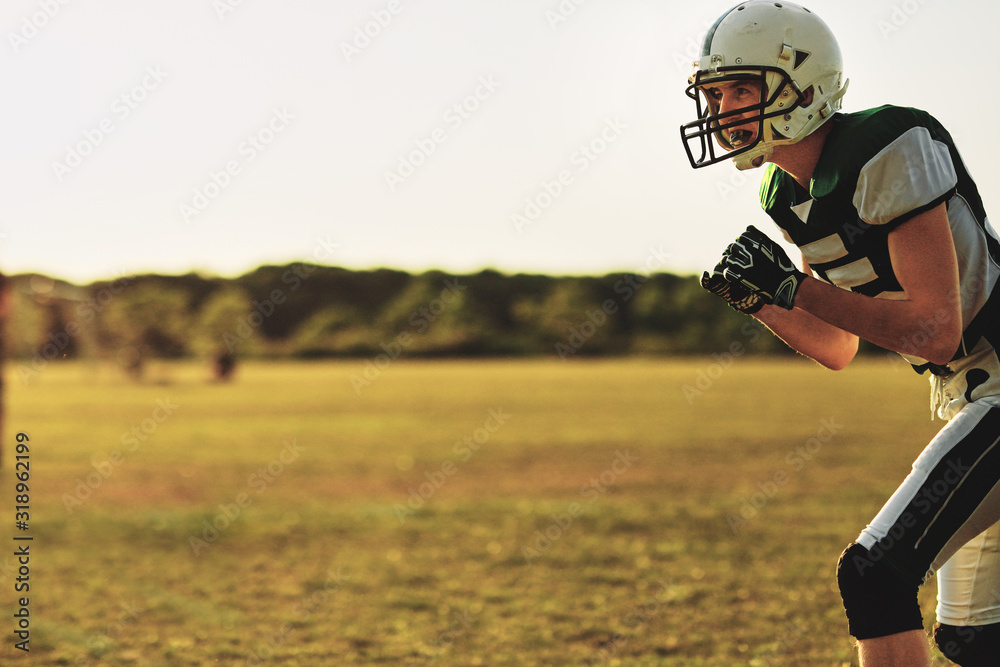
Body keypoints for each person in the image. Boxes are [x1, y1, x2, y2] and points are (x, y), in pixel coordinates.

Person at [680, 2, 1000, 666]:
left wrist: (795, 287)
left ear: (804, 82)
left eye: (741, 87)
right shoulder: (783, 190)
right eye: (713, 93)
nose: (721, 109)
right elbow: (837, 344)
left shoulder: (885, 144)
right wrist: (764, 301)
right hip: (968, 393)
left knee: (875, 574)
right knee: (977, 639)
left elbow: (935, 330)